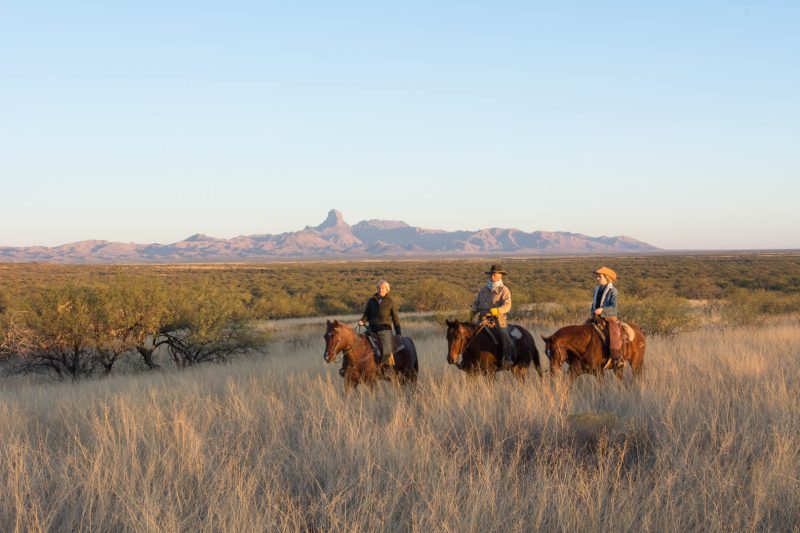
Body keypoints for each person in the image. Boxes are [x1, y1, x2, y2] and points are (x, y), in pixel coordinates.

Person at [470, 264, 516, 368]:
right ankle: (468, 361)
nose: (492, 276)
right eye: (491, 274)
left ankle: (507, 359)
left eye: (495, 274)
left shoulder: (504, 290)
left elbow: (507, 306)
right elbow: (477, 302)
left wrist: (497, 310)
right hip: (482, 319)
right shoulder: (483, 289)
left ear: (501, 276)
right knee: (468, 335)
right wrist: (473, 311)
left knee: (503, 335)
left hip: (497, 320)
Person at [358, 279, 402, 370]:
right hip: (371, 329)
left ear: (387, 289)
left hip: (385, 329)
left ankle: (385, 368)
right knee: (359, 342)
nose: (380, 290)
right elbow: (366, 314)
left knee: (387, 350)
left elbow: (395, 319)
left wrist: (398, 333)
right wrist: (362, 321)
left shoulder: (390, 301)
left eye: (382, 288)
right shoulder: (371, 300)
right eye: (378, 288)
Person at [591, 266, 623, 369]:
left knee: (613, 333)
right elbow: (594, 304)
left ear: (606, 277)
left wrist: (602, 310)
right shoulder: (596, 289)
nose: (597, 278)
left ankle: (617, 359)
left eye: (599, 276)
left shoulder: (613, 291)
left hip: (609, 317)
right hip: (596, 317)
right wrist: (593, 312)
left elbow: (613, 307)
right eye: (597, 276)